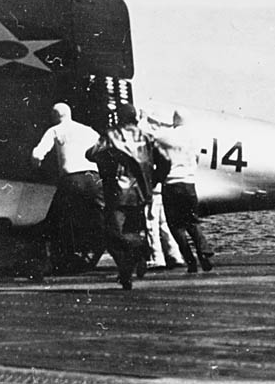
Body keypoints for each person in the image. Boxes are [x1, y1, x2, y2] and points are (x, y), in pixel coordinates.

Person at [86, 103, 157, 290]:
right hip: (141, 193)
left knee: (112, 234)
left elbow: (92, 154)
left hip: (118, 191)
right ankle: (139, 253)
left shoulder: (111, 135)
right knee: (133, 230)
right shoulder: (148, 137)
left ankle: (135, 256)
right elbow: (159, 161)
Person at [30, 103, 104, 274]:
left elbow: (37, 154)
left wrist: (36, 165)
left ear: (55, 116)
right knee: (97, 218)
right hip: (93, 178)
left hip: (71, 179)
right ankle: (93, 255)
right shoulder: (89, 131)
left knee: (58, 219)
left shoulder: (55, 130)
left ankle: (60, 261)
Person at [153, 110, 214, 273]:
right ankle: (204, 252)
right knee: (192, 222)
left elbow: (157, 156)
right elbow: (198, 160)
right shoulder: (196, 139)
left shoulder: (164, 137)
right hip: (189, 184)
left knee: (176, 227)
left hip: (171, 185)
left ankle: (190, 260)